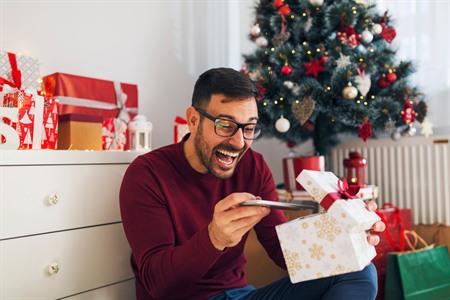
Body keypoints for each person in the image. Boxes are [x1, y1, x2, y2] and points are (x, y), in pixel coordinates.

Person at [120, 68, 385, 300]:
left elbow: (284, 252)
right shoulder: (147, 174)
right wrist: (214, 239)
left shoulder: (253, 166)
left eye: (249, 128)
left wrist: (342, 239)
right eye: (225, 125)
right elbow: (158, 285)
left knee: (359, 271)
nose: (238, 142)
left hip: (241, 295)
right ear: (193, 119)